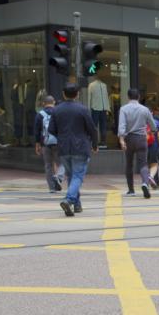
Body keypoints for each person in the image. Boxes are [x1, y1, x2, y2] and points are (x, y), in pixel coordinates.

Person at [47, 83, 98, 217]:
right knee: (77, 176)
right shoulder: (82, 109)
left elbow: (51, 129)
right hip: (81, 147)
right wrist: (95, 144)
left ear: (63, 94)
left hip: (63, 148)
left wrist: (62, 136)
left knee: (71, 176)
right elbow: (92, 129)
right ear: (77, 94)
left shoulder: (56, 110)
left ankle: (77, 204)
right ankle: (69, 199)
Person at [117, 88, 157, 198]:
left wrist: (121, 139)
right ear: (138, 97)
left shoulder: (123, 109)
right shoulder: (144, 109)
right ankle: (145, 183)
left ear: (128, 97)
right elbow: (153, 125)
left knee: (129, 164)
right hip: (141, 138)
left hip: (129, 138)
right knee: (143, 163)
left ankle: (131, 190)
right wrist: (153, 131)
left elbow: (122, 125)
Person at [33, 95, 63, 193]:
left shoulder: (39, 114)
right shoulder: (58, 112)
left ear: (43, 104)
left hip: (45, 143)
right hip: (58, 142)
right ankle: (59, 177)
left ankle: (52, 188)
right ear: (54, 102)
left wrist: (37, 144)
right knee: (63, 162)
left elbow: (37, 131)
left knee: (48, 165)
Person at [87, 76, 110, 148]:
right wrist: (107, 108)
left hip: (95, 107)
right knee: (103, 125)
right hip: (103, 108)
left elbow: (89, 97)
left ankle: (94, 141)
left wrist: (88, 107)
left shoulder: (91, 85)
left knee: (94, 126)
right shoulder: (104, 85)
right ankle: (103, 142)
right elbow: (106, 97)